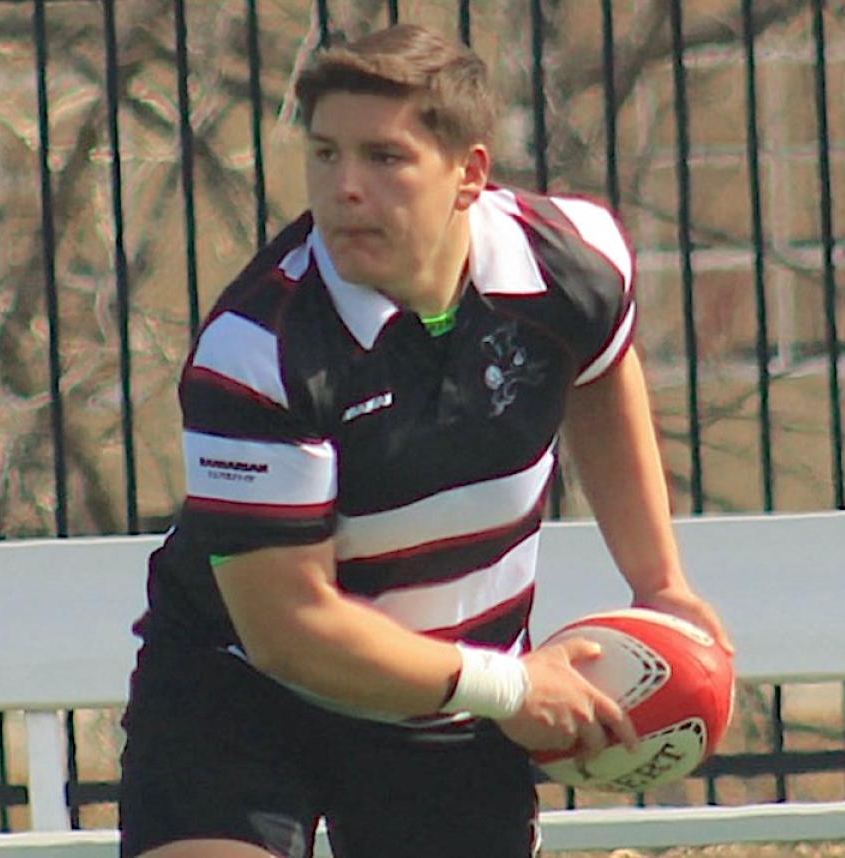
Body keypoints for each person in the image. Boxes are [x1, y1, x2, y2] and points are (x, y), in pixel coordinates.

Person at [118, 23, 732, 858]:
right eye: (326, 154)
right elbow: (289, 627)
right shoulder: (258, 350)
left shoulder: (570, 262)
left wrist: (660, 582)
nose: (346, 189)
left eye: (384, 157)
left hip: (452, 703)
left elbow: (602, 374)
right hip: (243, 687)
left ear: (468, 173)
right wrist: (509, 687)